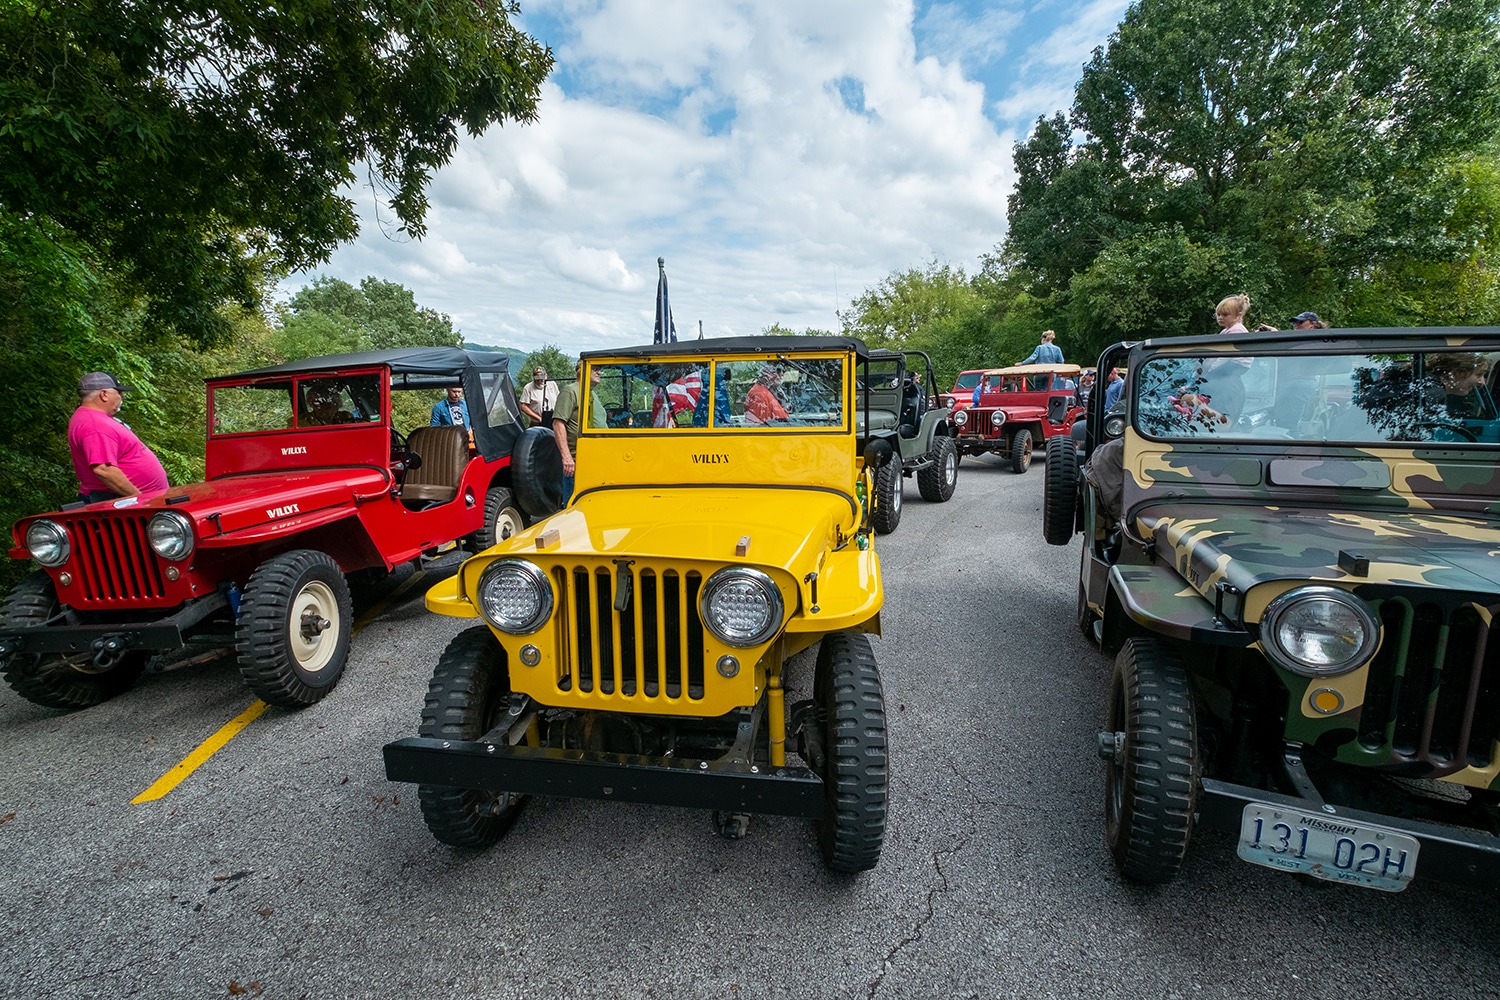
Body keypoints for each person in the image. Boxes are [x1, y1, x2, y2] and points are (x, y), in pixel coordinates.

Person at [68, 372, 169, 504]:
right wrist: (140, 499)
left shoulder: (93, 418)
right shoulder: (95, 424)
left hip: (122, 500)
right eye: (119, 393)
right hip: (116, 502)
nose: (122, 397)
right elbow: (104, 469)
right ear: (104, 394)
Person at [551, 366, 603, 503]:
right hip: (576, 463)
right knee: (575, 506)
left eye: (600, 369)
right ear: (581, 369)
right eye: (595, 368)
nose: (599, 372)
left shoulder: (592, 394)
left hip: (595, 460)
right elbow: (558, 423)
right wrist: (567, 457)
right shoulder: (570, 391)